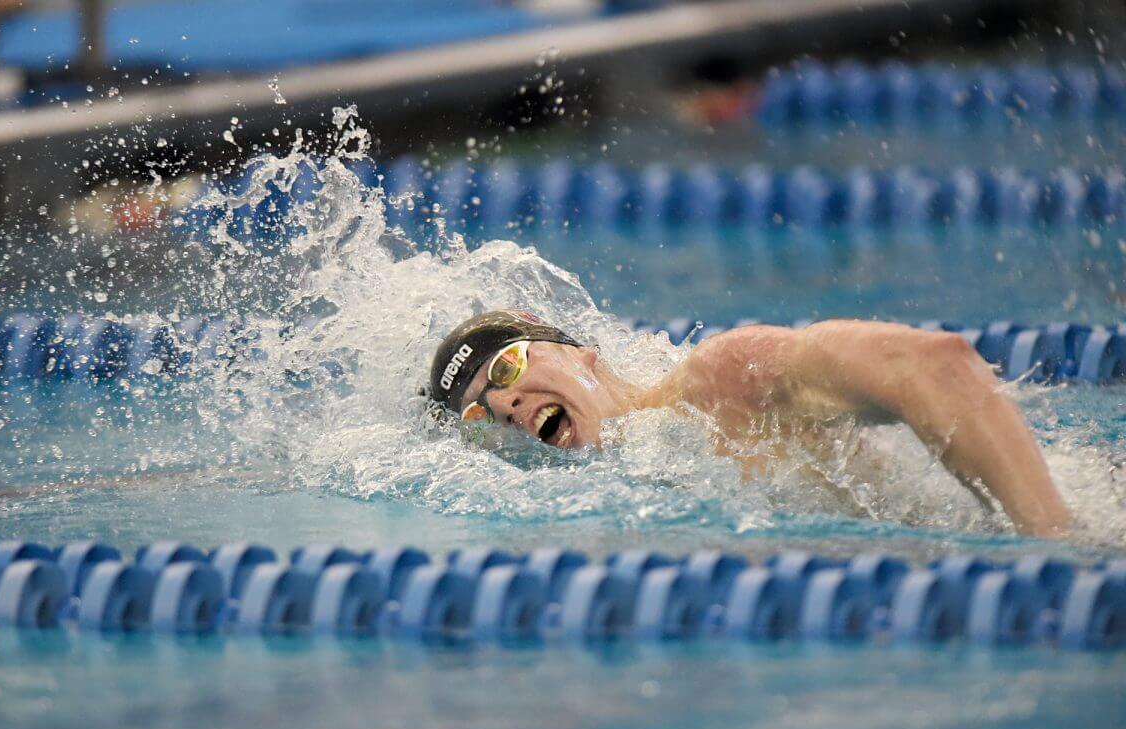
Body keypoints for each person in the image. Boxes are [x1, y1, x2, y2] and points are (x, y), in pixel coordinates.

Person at [428, 309, 1072, 537]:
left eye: (506, 368)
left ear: (577, 351)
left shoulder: (719, 382)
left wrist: (1054, 543)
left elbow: (933, 364)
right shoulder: (586, 521)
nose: (504, 407)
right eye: (480, 414)